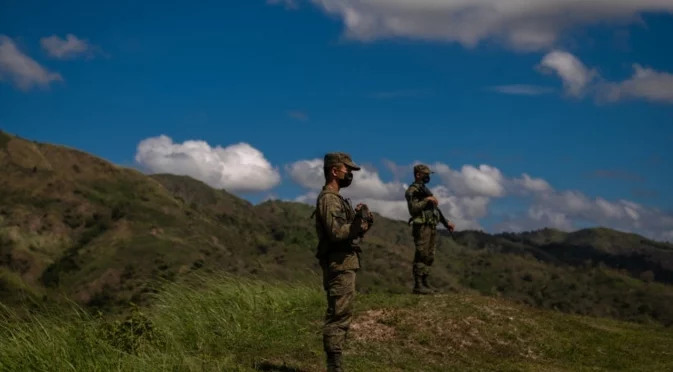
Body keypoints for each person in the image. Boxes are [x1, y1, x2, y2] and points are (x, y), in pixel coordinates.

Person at [313, 152, 373, 372]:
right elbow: (337, 233)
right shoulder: (329, 199)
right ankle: (334, 366)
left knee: (343, 312)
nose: (350, 175)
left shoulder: (336, 199)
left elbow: (348, 233)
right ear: (334, 171)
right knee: (338, 315)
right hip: (338, 263)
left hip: (344, 262)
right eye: (347, 170)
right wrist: (356, 224)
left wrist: (362, 222)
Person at [404, 164, 455, 295]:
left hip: (431, 225)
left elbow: (435, 209)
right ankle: (418, 285)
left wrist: (446, 222)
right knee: (421, 254)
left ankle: (425, 282)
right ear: (418, 174)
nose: (428, 177)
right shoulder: (412, 191)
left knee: (429, 256)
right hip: (421, 226)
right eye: (426, 174)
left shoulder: (424, 190)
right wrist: (427, 200)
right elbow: (413, 209)